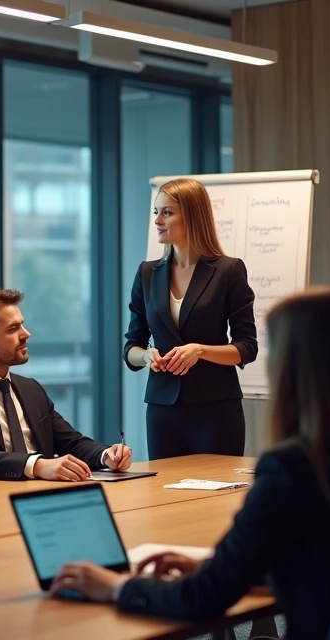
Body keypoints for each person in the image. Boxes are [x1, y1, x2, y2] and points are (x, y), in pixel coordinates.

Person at [51, 288, 330, 640]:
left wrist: (115, 587)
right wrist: (216, 566)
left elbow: (205, 600)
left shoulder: (292, 468)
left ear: (292, 369)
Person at [0, 288, 132, 482]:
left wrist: (106, 455)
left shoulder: (30, 389)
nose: (26, 334)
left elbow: (71, 442)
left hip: (42, 498)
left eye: (22, 325)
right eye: (13, 329)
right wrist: (36, 465)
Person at [123, 178, 257, 459]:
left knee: (217, 497)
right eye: (156, 212)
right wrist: (146, 356)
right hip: (162, 411)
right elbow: (131, 347)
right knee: (166, 497)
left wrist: (200, 350)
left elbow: (247, 347)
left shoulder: (228, 271)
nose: (158, 220)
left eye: (167, 212)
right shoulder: (147, 273)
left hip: (216, 410)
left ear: (193, 216)